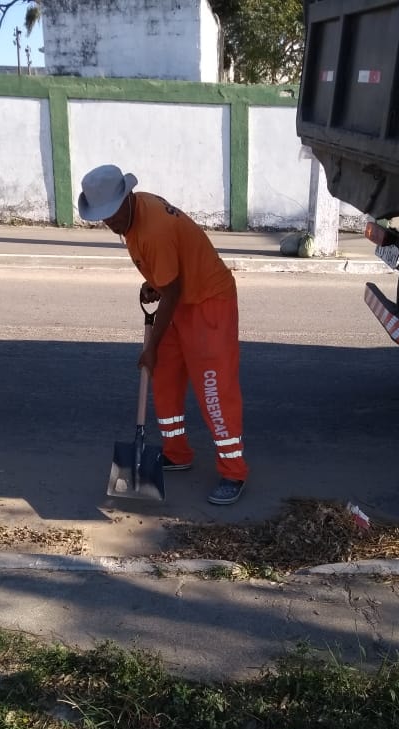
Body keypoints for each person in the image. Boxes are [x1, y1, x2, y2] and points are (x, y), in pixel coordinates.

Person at [78, 164, 248, 505]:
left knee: (214, 391)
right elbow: (169, 277)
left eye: (112, 213)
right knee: (165, 378)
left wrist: (152, 344)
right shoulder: (135, 215)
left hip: (207, 303)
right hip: (180, 300)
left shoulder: (152, 228)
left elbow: (173, 288)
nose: (110, 223)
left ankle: (233, 471)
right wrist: (153, 282)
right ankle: (177, 452)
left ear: (126, 199)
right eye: (103, 217)